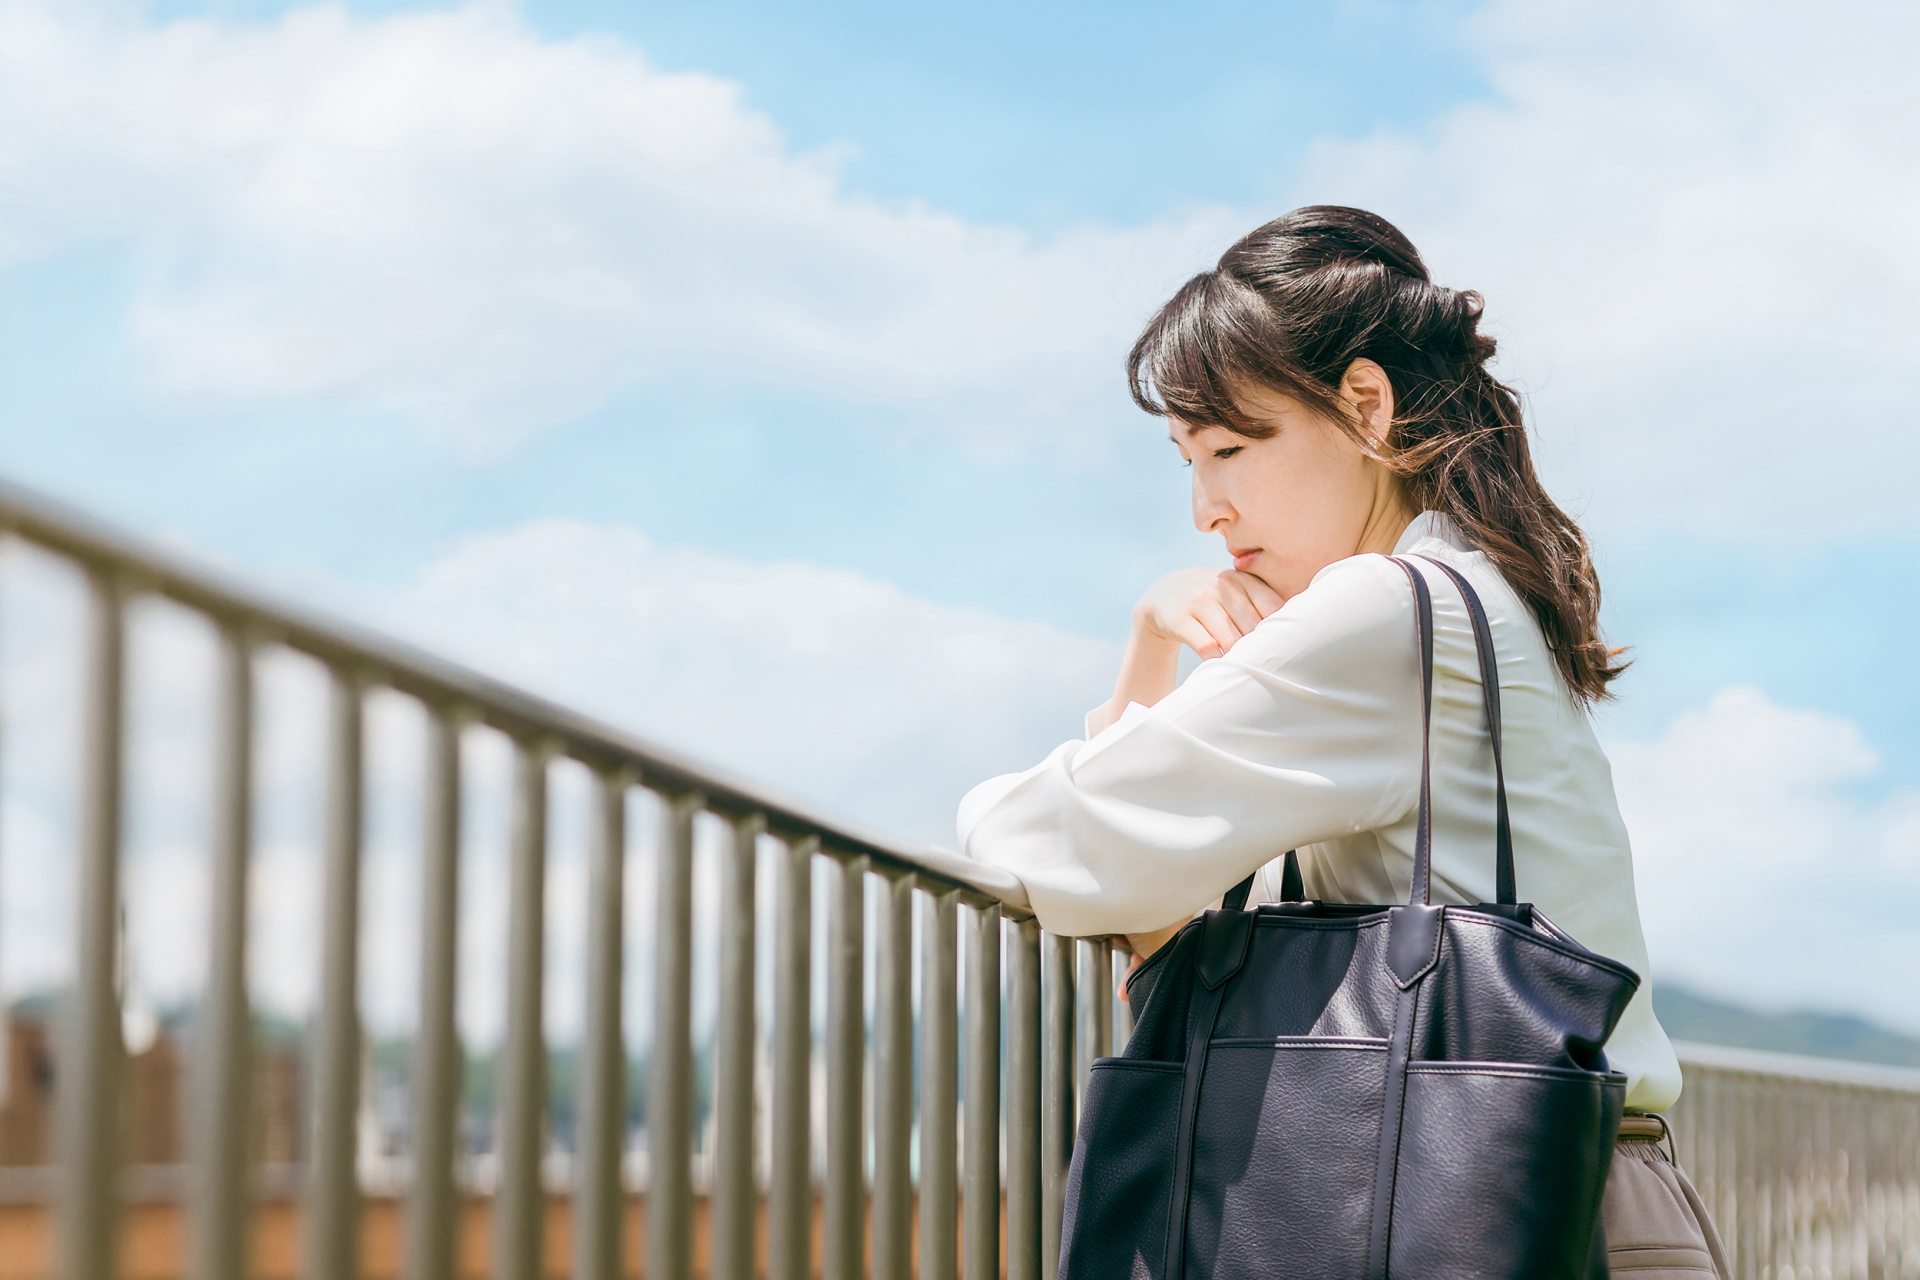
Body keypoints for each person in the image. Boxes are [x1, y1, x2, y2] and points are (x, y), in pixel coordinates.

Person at [957, 206, 1731, 1277]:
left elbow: (1051, 838)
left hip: (1502, 1204)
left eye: (1230, 447)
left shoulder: (1391, 611)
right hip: (1554, 1188)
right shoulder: (1472, 589)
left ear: (1367, 406)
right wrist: (1150, 637)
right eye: (1188, 459)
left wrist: (1128, 664)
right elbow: (1155, 861)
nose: (1205, 508)